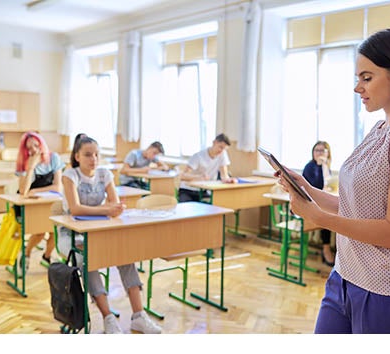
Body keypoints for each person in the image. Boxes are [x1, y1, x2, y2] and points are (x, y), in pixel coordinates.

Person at [277, 28, 390, 334]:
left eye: (366, 77)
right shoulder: (379, 129)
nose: (358, 87)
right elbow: (355, 207)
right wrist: (307, 188)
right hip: (344, 278)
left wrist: (319, 218)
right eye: (358, 78)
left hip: (387, 290)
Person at [57, 135, 162, 334]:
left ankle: (139, 316)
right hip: (71, 235)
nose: (93, 159)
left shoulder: (105, 174)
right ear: (77, 156)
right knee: (87, 259)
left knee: (125, 255)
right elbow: (76, 209)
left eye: (96, 154)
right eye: (88, 155)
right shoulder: (70, 175)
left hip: (99, 230)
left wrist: (110, 209)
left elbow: (115, 206)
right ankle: (108, 318)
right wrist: (105, 209)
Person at [15, 131, 65, 271]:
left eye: (36, 146)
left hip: (49, 204)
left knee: (56, 231)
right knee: (39, 232)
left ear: (42, 144)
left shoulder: (54, 158)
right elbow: (24, 191)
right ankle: (26, 253)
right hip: (29, 207)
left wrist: (35, 191)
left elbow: (58, 187)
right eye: (29, 148)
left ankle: (47, 256)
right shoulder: (23, 163)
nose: (34, 150)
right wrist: (30, 167)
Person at [302, 141, 335, 266]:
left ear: (328, 153)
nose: (319, 153)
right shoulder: (310, 167)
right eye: (317, 150)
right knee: (326, 215)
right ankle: (326, 249)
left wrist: (324, 166)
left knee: (332, 212)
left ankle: (330, 249)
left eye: (322, 151)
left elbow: (328, 184)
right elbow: (316, 186)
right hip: (308, 203)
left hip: (320, 202)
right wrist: (322, 166)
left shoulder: (326, 167)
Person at [178, 133, 237, 202]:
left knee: (217, 204)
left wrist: (228, 180)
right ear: (214, 142)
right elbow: (182, 176)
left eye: (224, 149)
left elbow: (224, 175)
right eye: (220, 147)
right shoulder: (198, 156)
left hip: (204, 190)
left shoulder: (222, 154)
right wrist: (198, 177)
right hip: (188, 190)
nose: (221, 151)